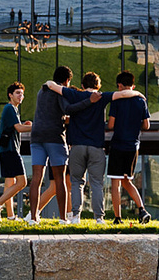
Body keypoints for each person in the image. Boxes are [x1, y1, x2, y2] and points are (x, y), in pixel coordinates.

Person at [34, 71, 141, 223]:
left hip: (77, 147)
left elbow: (55, 87)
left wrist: (49, 82)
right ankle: (99, 218)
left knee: (77, 182)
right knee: (96, 183)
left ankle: (76, 216)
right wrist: (139, 94)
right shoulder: (101, 97)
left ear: (83, 85)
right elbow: (123, 95)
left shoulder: (74, 94)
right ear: (98, 86)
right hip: (96, 147)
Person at [23, 65, 102, 225]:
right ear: (67, 80)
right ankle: (62, 218)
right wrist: (89, 101)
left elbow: (51, 112)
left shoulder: (41, 91)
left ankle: (33, 218)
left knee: (37, 178)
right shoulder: (58, 91)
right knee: (60, 179)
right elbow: (68, 109)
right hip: (54, 137)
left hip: (37, 136)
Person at [106, 70, 152, 225]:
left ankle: (118, 218)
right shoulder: (141, 101)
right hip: (133, 145)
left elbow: (111, 124)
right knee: (127, 180)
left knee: (115, 182)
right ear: (133, 85)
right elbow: (146, 125)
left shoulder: (117, 101)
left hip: (118, 143)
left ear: (119, 85)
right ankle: (142, 209)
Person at [0, 82, 32, 220]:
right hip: (11, 150)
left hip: (6, 150)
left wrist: (24, 125)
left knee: (10, 182)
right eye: (18, 93)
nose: (21, 96)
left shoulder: (13, 110)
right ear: (10, 95)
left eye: (22, 94)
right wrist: (38, 127)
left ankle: (10, 216)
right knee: (22, 182)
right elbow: (19, 129)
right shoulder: (9, 108)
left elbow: (16, 127)